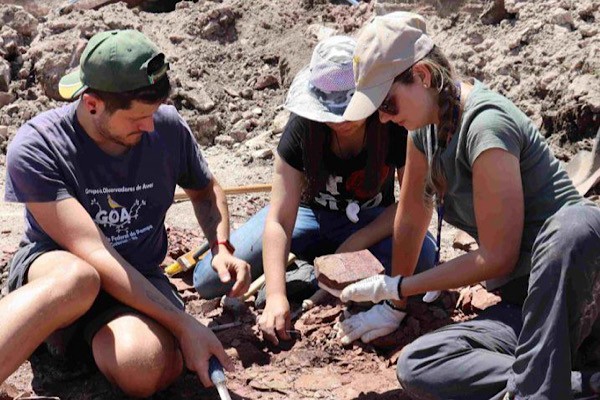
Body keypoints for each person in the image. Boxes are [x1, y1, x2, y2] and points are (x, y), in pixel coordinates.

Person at [337, 11, 600, 400]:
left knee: (574, 223)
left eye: (388, 103)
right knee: (420, 363)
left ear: (422, 76)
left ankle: (540, 388)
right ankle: (576, 384)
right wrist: (396, 303)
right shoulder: (422, 132)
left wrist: (403, 284)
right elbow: (410, 221)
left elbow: (498, 258)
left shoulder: (485, 126)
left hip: (580, 292)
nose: (384, 117)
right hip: (526, 310)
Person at [0, 30, 251, 397]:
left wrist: (222, 247)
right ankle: (42, 328)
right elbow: (94, 252)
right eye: (137, 118)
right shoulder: (38, 147)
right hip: (59, 268)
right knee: (79, 278)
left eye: (153, 114)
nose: (149, 126)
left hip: (139, 278)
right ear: (91, 104)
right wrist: (182, 324)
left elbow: (206, 190)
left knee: (141, 366)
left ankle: (72, 348)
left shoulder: (165, 127)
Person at [193, 35, 438, 345]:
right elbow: (281, 220)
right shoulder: (301, 130)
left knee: (424, 259)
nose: (341, 122)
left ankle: (323, 271)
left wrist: (356, 241)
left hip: (370, 220)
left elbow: (412, 205)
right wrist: (277, 297)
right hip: (308, 217)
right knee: (209, 279)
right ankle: (310, 274)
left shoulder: (392, 124)